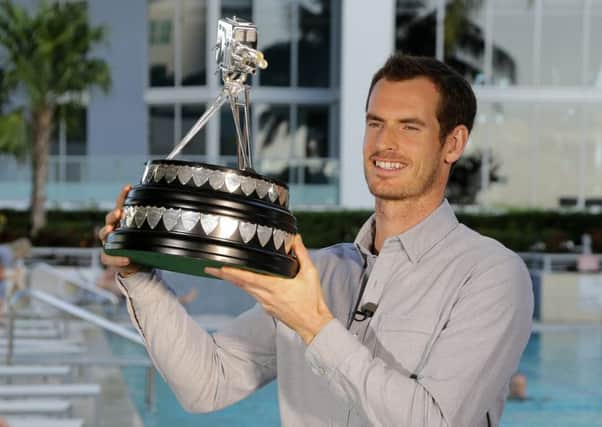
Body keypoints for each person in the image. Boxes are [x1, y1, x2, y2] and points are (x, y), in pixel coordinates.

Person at [99, 54, 533, 426]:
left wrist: (312, 324)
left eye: (410, 127)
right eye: (375, 123)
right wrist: (139, 276)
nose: (385, 143)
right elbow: (206, 384)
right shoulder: (317, 272)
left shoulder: (491, 275)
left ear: (453, 143)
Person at [0, 237, 32, 312]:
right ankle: (22, 293)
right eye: (23, 255)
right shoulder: (7, 254)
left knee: (19, 273)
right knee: (19, 274)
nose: (22, 257)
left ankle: (22, 292)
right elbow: (2, 274)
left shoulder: (6, 250)